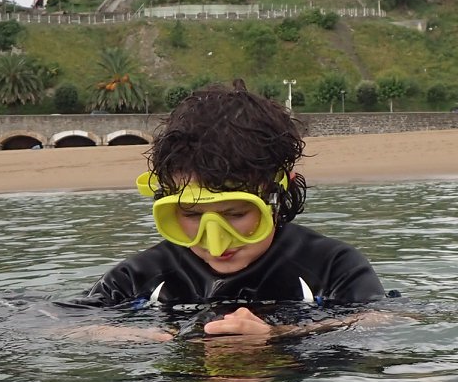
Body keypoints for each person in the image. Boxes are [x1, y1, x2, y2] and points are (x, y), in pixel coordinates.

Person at [79, 80, 385, 337]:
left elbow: (387, 320)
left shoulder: (332, 266)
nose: (215, 242)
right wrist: (121, 335)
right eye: (191, 214)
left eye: (236, 214)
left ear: (278, 196)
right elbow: (52, 322)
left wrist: (277, 335)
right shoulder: (141, 276)